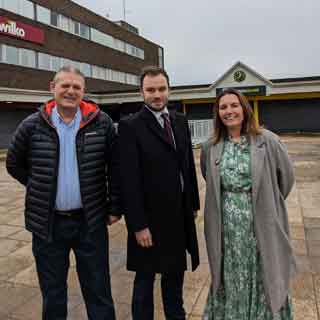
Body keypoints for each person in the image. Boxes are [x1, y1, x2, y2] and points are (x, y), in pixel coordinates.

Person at [6, 66, 121, 320]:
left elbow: (116, 167)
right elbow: (13, 163)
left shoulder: (101, 123)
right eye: (65, 85)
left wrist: (114, 206)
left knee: (98, 289)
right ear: (52, 88)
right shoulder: (32, 124)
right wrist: (40, 187)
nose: (70, 91)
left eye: (76, 87)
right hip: (48, 224)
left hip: (89, 222)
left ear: (83, 92)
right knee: (53, 292)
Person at [200, 88, 297, 319]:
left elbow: (287, 178)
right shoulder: (210, 145)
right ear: (217, 113)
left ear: (244, 108)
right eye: (223, 107)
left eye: (234, 105)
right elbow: (209, 177)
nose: (229, 111)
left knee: (264, 270)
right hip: (227, 228)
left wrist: (267, 200)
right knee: (230, 272)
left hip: (260, 222)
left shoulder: (268, 140)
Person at [118, 66, 200, 320]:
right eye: (151, 90)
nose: (157, 95)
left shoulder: (179, 121)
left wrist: (193, 204)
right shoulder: (130, 126)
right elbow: (128, 181)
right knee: (144, 281)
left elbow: (187, 166)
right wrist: (138, 225)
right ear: (141, 92)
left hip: (178, 216)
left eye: (161, 89)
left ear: (169, 90)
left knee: (174, 278)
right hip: (148, 221)